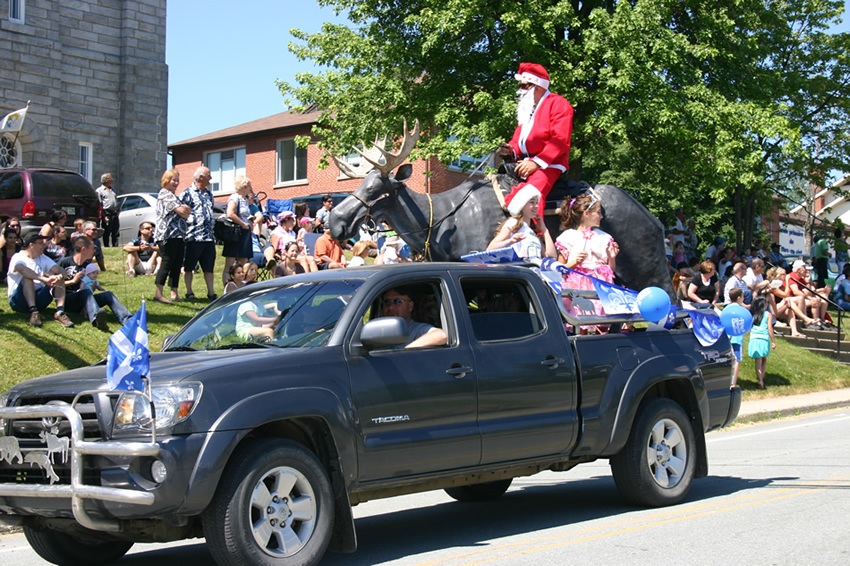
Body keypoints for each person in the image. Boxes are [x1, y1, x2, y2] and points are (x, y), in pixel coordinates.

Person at [498, 62, 574, 216]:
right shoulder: (528, 109)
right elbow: (518, 141)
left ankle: (536, 231)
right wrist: (510, 150)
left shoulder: (558, 103)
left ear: (538, 86)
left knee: (528, 199)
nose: (520, 90)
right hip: (523, 164)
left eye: (524, 86)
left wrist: (536, 163)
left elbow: (560, 140)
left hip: (549, 165)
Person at [555, 192, 619, 325]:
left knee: (600, 324)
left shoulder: (603, 238)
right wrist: (574, 262)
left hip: (600, 289)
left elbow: (610, 271)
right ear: (586, 213)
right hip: (577, 288)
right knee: (581, 324)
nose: (601, 216)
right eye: (598, 212)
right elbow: (559, 268)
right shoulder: (569, 237)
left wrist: (611, 258)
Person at [59, 236, 132, 330]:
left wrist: (92, 288)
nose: (94, 251)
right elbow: (54, 284)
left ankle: (128, 320)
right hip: (68, 300)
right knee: (85, 293)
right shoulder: (65, 262)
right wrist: (72, 281)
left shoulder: (88, 266)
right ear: (83, 249)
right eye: (93, 248)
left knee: (108, 295)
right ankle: (96, 319)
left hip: (86, 300)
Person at [6, 232, 74, 328]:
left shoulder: (43, 258)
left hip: (38, 298)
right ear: (31, 245)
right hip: (18, 301)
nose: (44, 246)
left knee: (58, 279)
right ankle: (34, 312)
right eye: (41, 243)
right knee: (27, 278)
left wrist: (60, 276)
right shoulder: (18, 257)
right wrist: (44, 279)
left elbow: (60, 270)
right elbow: (23, 269)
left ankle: (60, 312)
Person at [487, 185, 555, 260]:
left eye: (536, 202)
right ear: (522, 204)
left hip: (533, 267)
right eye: (532, 202)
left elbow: (552, 257)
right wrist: (510, 241)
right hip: (518, 266)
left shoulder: (533, 233)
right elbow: (490, 249)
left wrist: (544, 230)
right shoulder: (513, 223)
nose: (536, 206)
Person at [153, 169, 191, 304]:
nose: (176, 183)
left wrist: (185, 209)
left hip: (178, 235)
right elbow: (182, 211)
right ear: (166, 180)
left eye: (177, 180)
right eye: (173, 180)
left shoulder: (174, 196)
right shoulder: (165, 194)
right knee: (167, 263)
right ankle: (158, 294)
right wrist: (184, 208)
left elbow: (187, 211)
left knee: (177, 264)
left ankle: (174, 293)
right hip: (167, 235)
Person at [180, 166, 218, 301]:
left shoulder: (209, 194)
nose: (211, 178)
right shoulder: (187, 193)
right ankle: (189, 292)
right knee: (189, 266)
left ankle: (211, 292)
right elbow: (181, 213)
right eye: (209, 175)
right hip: (193, 236)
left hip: (208, 237)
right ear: (201, 177)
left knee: (209, 267)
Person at [380, 287, 447, 348]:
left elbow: (441, 335)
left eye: (397, 301)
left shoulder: (417, 329)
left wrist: (405, 351)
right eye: (387, 302)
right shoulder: (379, 330)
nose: (391, 307)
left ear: (410, 306)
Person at [222, 175, 254, 287]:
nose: (251, 188)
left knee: (243, 263)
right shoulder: (234, 197)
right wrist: (242, 223)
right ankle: (228, 288)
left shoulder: (245, 200)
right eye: (249, 186)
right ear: (244, 186)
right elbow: (230, 213)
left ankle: (240, 286)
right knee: (230, 264)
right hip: (235, 233)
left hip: (245, 233)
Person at [787, 260, 829, 328]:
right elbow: (796, 292)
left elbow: (807, 291)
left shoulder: (801, 279)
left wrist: (811, 296)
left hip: (800, 298)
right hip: (792, 300)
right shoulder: (792, 277)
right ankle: (809, 322)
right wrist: (809, 298)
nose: (805, 270)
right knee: (813, 301)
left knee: (817, 299)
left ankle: (818, 320)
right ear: (798, 270)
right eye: (804, 267)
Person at [748, 295, 776, 390]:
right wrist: (773, 341)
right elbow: (770, 328)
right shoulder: (768, 314)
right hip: (764, 338)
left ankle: (759, 379)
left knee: (758, 360)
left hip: (754, 338)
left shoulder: (752, 315)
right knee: (764, 359)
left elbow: (749, 328)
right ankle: (761, 379)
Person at [726, 287, 746, 388]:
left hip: (727, 338)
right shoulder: (741, 310)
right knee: (737, 360)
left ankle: (727, 380)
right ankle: (733, 383)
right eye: (742, 296)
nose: (743, 298)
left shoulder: (726, 308)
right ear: (739, 298)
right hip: (737, 338)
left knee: (729, 360)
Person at [95, 173, 120, 247]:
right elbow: (100, 204)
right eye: (110, 178)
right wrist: (104, 216)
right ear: (106, 180)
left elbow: (115, 201)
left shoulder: (112, 190)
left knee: (115, 231)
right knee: (107, 231)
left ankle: (115, 246)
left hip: (114, 213)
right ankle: (106, 246)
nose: (112, 180)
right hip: (107, 213)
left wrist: (118, 210)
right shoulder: (100, 190)